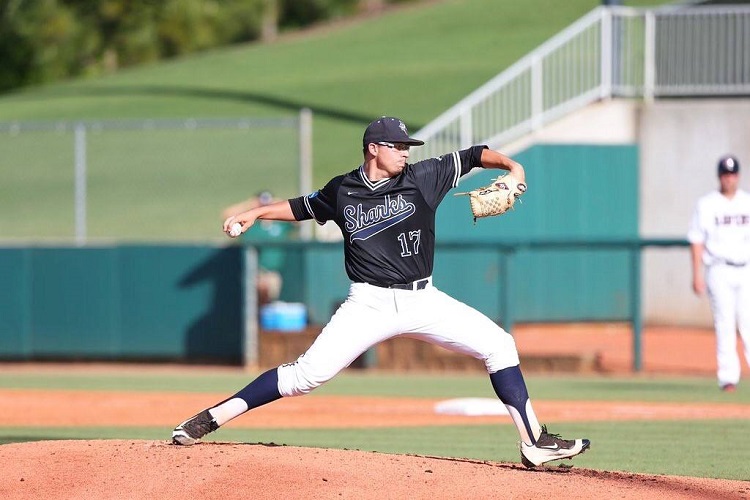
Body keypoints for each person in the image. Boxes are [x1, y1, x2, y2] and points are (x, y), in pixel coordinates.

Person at [171, 116, 591, 468]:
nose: (406, 152)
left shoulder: (424, 177)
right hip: (368, 302)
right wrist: (256, 212)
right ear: (374, 148)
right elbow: (303, 207)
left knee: (499, 345)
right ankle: (211, 417)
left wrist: (513, 168)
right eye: (398, 146)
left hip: (424, 299)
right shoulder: (343, 190)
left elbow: (475, 154)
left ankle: (533, 442)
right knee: (304, 377)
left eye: (408, 146)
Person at [689, 154, 750, 392]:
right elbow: (696, 239)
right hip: (719, 268)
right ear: (719, 177)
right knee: (724, 323)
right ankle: (728, 379)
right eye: (725, 174)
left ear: (738, 176)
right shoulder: (707, 204)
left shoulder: (747, 202)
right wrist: (696, 274)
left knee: (748, 323)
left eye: (733, 174)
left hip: (745, 267)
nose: (729, 179)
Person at [222, 191, 294, 305]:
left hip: (272, 273)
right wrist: (251, 205)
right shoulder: (252, 225)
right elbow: (227, 214)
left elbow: (299, 218)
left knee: (266, 299)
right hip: (252, 272)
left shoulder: (281, 224)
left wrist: (276, 204)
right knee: (249, 303)